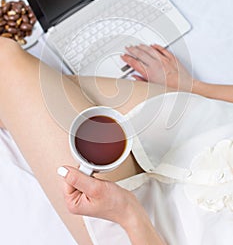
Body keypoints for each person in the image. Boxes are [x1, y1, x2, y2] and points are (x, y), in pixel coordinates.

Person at [0, 37, 233, 245]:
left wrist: (128, 214)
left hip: (149, 227)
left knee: (5, 60)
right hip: (204, 132)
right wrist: (195, 88)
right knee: (39, 86)